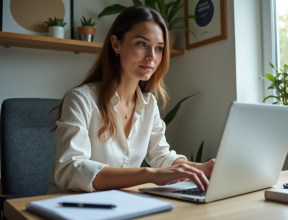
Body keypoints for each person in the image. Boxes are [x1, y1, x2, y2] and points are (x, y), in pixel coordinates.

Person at [47, 6, 215, 194]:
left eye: (159, 48)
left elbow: (161, 155)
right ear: (116, 44)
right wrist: (150, 174)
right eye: (142, 44)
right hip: (73, 207)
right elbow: (71, 170)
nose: (152, 56)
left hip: (122, 204)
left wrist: (200, 168)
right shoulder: (81, 100)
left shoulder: (149, 103)